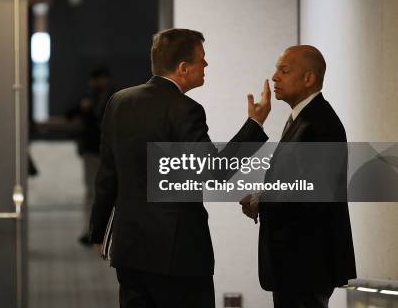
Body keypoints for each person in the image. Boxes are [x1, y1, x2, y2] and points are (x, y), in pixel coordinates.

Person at [88, 28, 271, 308]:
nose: (206, 65)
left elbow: (107, 175)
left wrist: (99, 231)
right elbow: (214, 171)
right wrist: (254, 125)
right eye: (202, 59)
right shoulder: (185, 108)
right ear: (184, 68)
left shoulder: (119, 102)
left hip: (130, 249)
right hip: (178, 255)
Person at [240, 45, 357, 308]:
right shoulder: (301, 119)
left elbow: (310, 194)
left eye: (283, 70)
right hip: (295, 263)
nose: (274, 77)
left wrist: (262, 202)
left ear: (309, 78)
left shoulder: (319, 124)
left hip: (306, 263)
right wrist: (262, 197)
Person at [68, 68, 112, 246]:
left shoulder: (106, 97)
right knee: (94, 192)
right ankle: (92, 230)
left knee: (94, 192)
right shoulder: (100, 97)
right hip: (96, 150)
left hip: (98, 150)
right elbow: (71, 113)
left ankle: (95, 230)